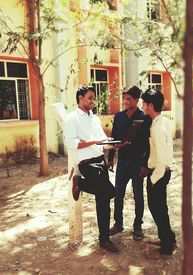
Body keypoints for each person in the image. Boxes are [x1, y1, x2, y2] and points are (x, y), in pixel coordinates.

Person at [63, 85, 119, 253]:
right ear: (80, 98)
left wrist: (115, 144)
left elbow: (101, 141)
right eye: (90, 98)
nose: (92, 101)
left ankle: (104, 239)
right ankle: (79, 181)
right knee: (111, 192)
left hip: (99, 160)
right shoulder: (72, 118)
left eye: (93, 98)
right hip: (86, 164)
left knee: (103, 200)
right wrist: (93, 142)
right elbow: (71, 143)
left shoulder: (94, 118)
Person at [108, 86, 151, 240]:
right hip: (123, 162)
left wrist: (144, 164)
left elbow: (148, 143)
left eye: (128, 99)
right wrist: (111, 157)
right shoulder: (119, 116)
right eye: (124, 98)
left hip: (137, 162)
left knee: (138, 196)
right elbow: (113, 138)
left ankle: (137, 226)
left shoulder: (144, 117)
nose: (125, 102)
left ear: (136, 100)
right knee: (118, 194)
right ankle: (118, 224)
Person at [141, 88, 176, 256]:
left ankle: (167, 245)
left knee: (157, 209)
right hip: (160, 172)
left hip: (159, 173)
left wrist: (154, 179)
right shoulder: (160, 122)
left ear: (151, 105)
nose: (142, 106)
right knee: (160, 208)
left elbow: (162, 158)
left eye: (144, 103)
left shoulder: (157, 128)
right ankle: (167, 238)